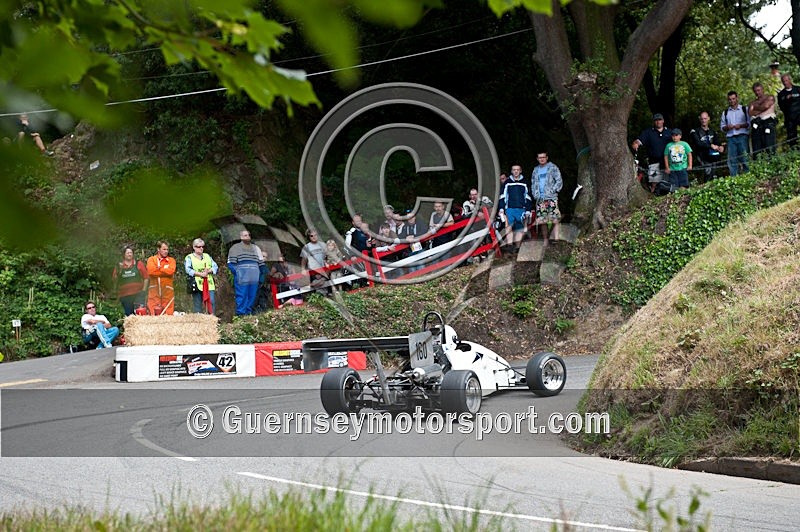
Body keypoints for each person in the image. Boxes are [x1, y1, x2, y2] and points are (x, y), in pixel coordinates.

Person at [227, 229, 265, 316]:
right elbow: (230, 263)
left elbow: (261, 263)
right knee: (242, 296)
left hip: (254, 277)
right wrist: (238, 273)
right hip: (242, 277)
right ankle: (241, 315)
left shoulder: (256, 248)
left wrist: (260, 275)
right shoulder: (235, 248)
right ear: (241, 237)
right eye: (245, 235)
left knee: (252, 296)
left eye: (248, 235)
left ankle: (248, 314)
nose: (247, 237)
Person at [631, 113, 671, 192]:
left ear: (663, 121)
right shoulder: (648, 132)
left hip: (667, 162)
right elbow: (638, 141)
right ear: (653, 122)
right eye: (656, 120)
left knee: (668, 182)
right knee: (654, 183)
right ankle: (653, 197)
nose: (658, 122)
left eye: (659, 120)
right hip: (654, 162)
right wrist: (635, 144)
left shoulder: (669, 132)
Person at [497, 164, 532, 252]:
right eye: (514, 170)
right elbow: (502, 196)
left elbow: (528, 197)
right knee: (509, 226)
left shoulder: (525, 182)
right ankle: (509, 245)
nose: (516, 171)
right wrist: (501, 209)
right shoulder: (507, 182)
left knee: (519, 228)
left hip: (521, 209)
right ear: (512, 171)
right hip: (509, 208)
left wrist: (528, 210)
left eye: (517, 170)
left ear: (520, 171)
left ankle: (517, 247)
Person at [531, 152, 563, 245]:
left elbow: (559, 180)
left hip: (551, 197)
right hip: (540, 198)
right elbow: (533, 183)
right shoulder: (535, 170)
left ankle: (556, 239)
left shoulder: (553, 168)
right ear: (537, 158)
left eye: (543, 157)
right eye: (540, 157)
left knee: (555, 218)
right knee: (542, 220)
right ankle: (545, 239)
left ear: (547, 158)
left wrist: (553, 190)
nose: (542, 159)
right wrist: (535, 194)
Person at [112, 246, 149, 316]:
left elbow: (146, 277)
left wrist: (143, 291)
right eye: (127, 253)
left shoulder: (139, 264)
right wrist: (119, 271)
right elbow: (114, 280)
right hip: (124, 295)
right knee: (129, 316)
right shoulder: (119, 266)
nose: (129, 254)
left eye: (131, 253)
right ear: (124, 255)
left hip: (138, 294)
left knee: (140, 314)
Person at [185, 238, 218, 314]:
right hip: (196, 284)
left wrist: (208, 271)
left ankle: (212, 320)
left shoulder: (207, 256)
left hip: (209, 283)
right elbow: (188, 270)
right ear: (194, 247)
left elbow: (215, 266)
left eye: (202, 246)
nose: (201, 248)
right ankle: (199, 322)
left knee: (211, 302)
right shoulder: (189, 257)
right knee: (197, 304)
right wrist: (200, 274)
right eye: (199, 247)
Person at [720, 91, 750, 176]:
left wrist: (740, 126)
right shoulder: (725, 112)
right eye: (729, 99)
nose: (732, 101)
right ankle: (734, 178)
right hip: (731, 138)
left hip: (742, 136)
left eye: (733, 99)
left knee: (745, 157)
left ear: (737, 98)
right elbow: (722, 127)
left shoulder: (744, 109)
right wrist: (727, 127)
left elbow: (749, 123)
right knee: (732, 159)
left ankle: (748, 176)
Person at [689, 112, 725, 181]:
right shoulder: (695, 131)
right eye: (702, 119)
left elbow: (717, 142)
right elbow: (698, 143)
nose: (703, 120)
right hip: (702, 157)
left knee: (714, 175)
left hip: (713, 157)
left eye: (705, 118)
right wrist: (711, 146)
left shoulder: (712, 131)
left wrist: (721, 147)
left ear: (708, 118)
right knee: (707, 173)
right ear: (699, 119)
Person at [146, 241, 176, 316]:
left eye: (167, 249)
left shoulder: (171, 260)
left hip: (167, 291)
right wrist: (164, 270)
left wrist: (159, 269)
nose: (166, 251)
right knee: (153, 314)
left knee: (168, 314)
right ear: (158, 249)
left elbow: (171, 271)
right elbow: (151, 271)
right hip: (154, 291)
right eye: (164, 249)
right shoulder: (151, 259)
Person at [748, 82, 777, 158]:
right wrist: (763, 109)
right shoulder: (753, 102)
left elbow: (766, 106)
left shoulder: (770, 97)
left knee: (770, 149)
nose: (757, 92)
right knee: (757, 151)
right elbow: (750, 113)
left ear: (762, 89)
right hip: (757, 127)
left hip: (768, 125)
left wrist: (756, 108)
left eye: (759, 90)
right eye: (755, 91)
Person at [300, 229, 329, 294]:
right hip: (314, 272)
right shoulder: (306, 247)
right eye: (311, 236)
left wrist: (327, 267)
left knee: (325, 287)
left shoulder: (323, 244)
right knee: (318, 290)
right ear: (309, 237)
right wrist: (303, 269)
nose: (314, 237)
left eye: (315, 235)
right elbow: (304, 259)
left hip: (324, 270)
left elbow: (328, 257)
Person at [778, 74, 800, 149]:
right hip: (789, 119)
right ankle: (794, 152)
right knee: (792, 138)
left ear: (790, 80)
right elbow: (781, 107)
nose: (785, 82)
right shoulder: (781, 94)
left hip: (799, 115)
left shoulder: (798, 89)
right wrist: (787, 100)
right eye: (783, 81)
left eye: (786, 80)